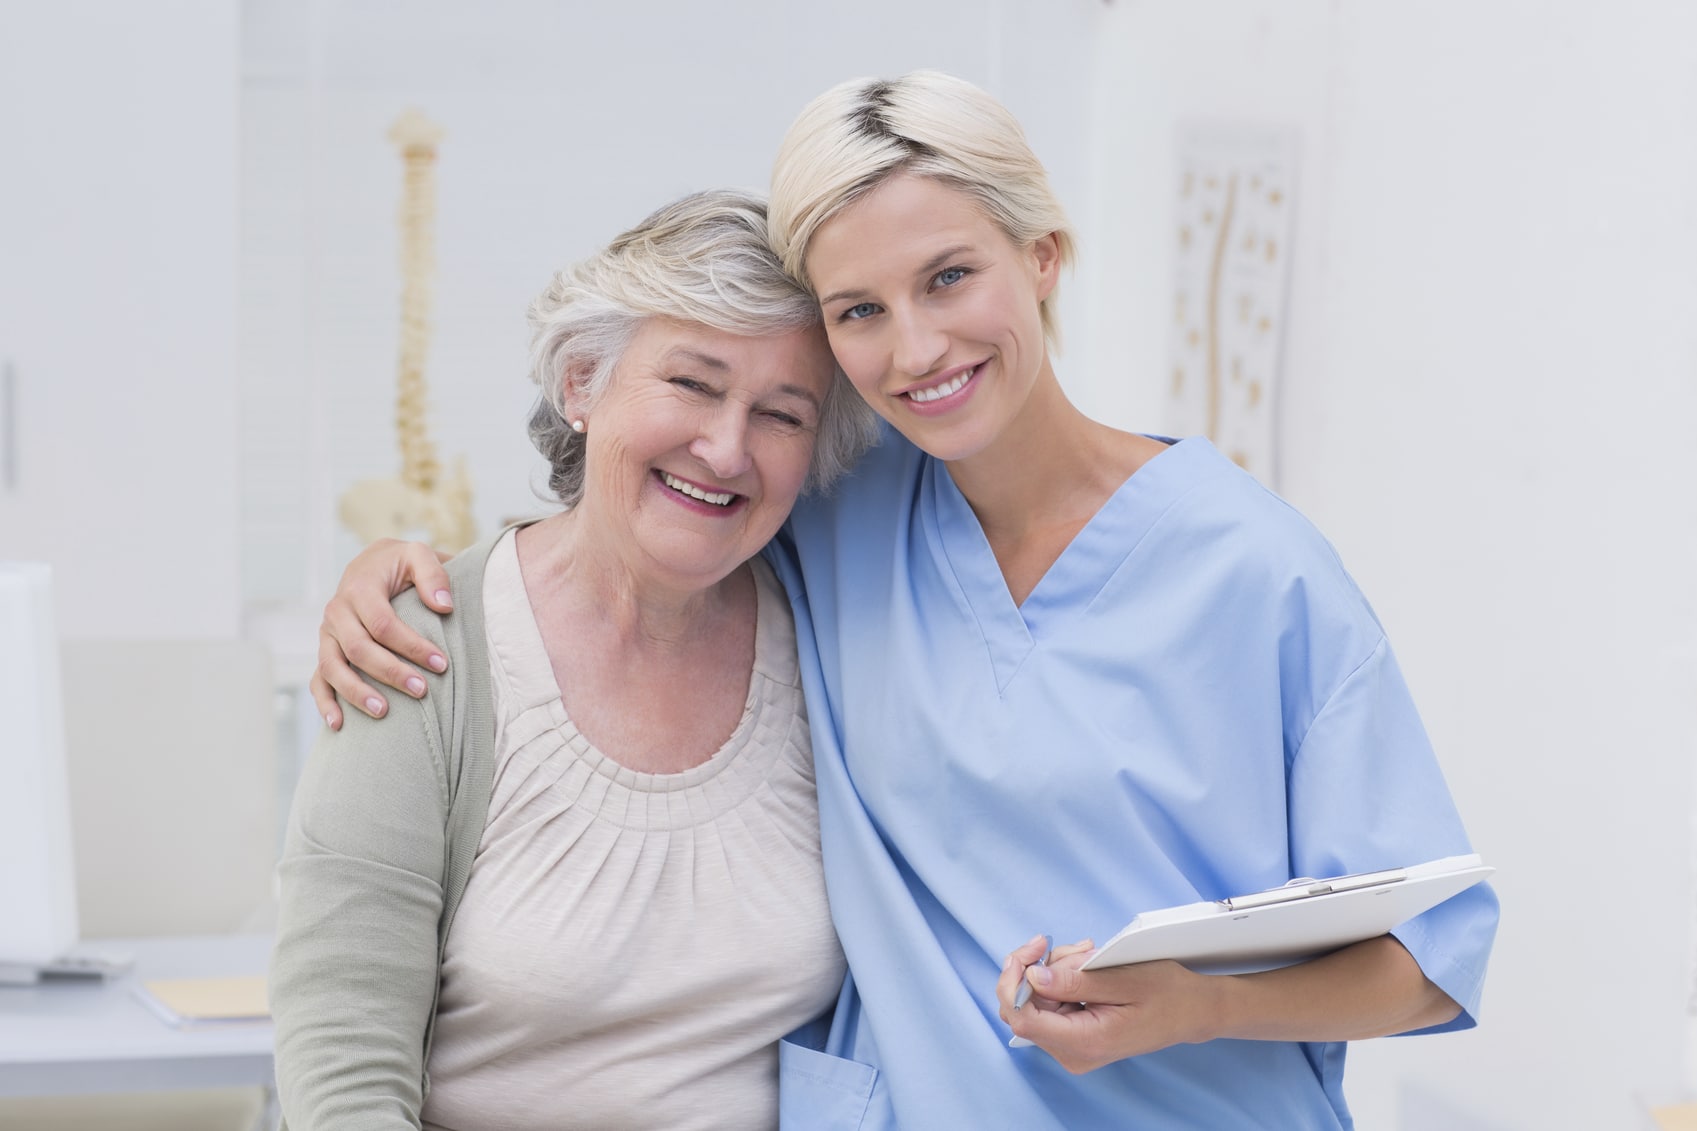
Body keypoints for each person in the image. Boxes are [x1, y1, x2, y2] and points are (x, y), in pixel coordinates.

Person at [311, 73, 1497, 1129]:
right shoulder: (839, 509)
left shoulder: (1255, 572)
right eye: (858, 310)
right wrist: (410, 575)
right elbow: (648, 502)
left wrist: (1186, 1009)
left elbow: (1434, 958)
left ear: (1040, 256)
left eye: (948, 277)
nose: (916, 348)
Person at [270, 189, 880, 1131]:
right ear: (582, 383)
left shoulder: (834, 642)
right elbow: (344, 1077)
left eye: (781, 415)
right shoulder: (422, 650)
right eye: (691, 383)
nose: (724, 449)